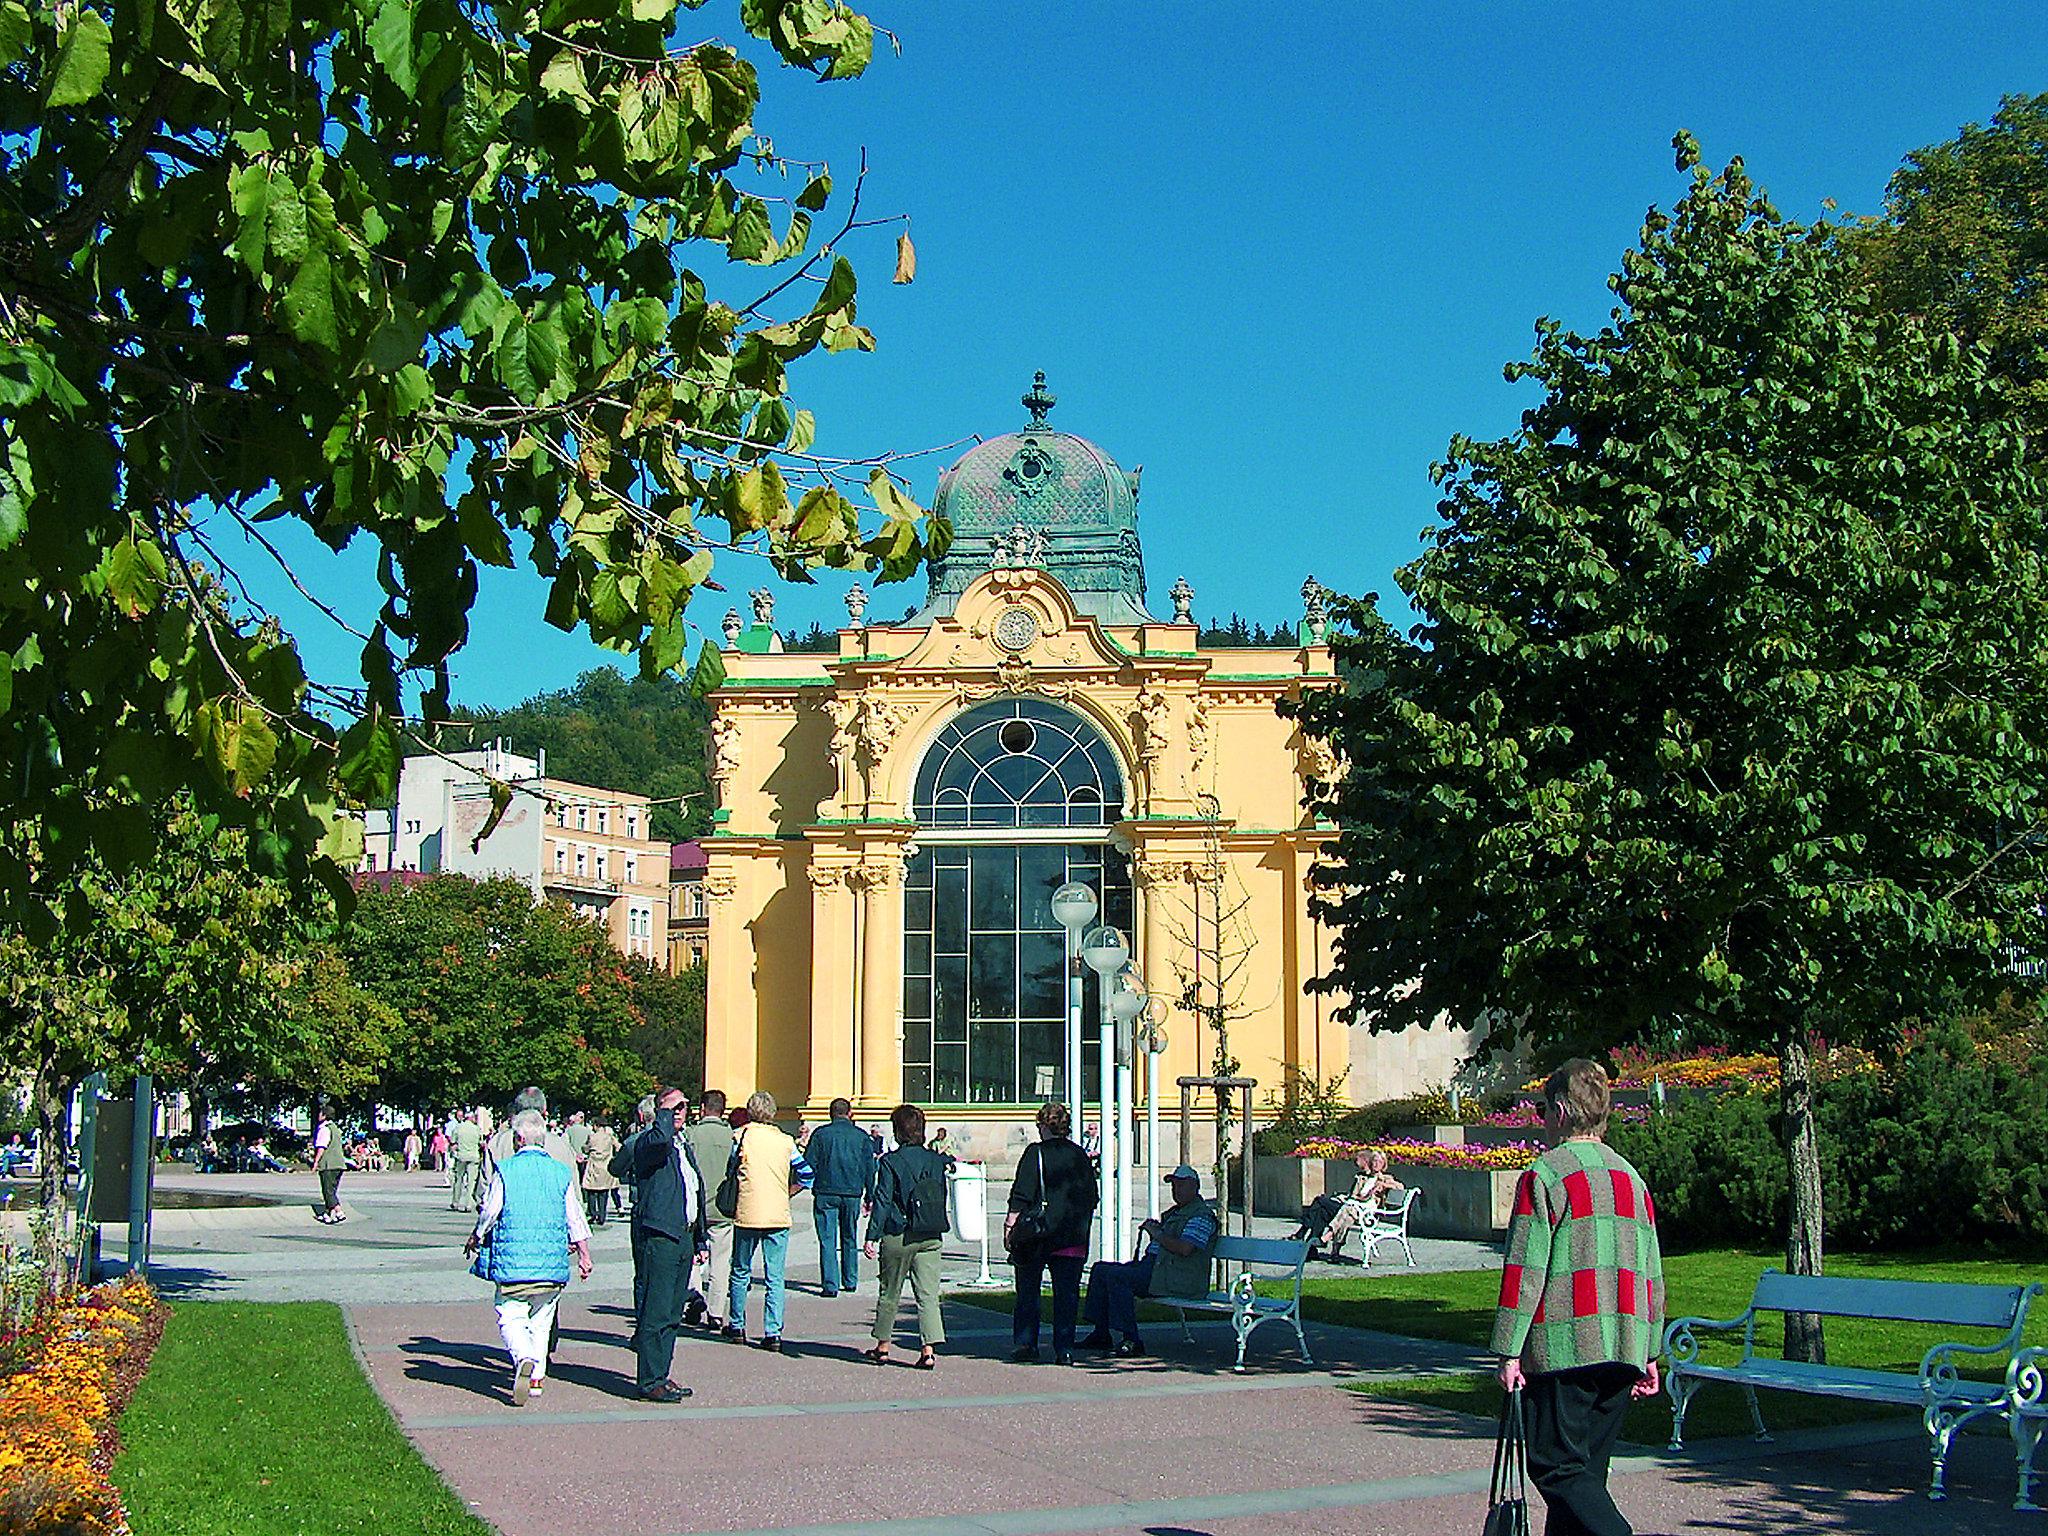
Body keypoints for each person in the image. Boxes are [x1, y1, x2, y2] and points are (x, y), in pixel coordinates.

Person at [1493, 1058, 1665, 1536]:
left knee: (1555, 1466)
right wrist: (1651, 1351)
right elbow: (1651, 1271)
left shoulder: (1546, 1174)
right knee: (1586, 1475)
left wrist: (1509, 1350)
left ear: (1563, 1110)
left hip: (1566, 1346)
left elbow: (1525, 1271)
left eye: (1546, 1109)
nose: (1544, 1120)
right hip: (1624, 1346)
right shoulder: (1631, 1178)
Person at [465, 1109, 593, 1405]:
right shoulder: (560, 1173)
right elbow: (575, 1218)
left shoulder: (506, 1170)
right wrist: (584, 1255)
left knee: (509, 1313)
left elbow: (490, 1211)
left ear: (518, 1138)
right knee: (542, 1320)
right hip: (551, 1266)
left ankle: (523, 1358)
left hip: (514, 1264)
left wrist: (476, 1235)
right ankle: (536, 1379)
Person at [1079, 1164, 1220, 1357]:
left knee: (1118, 1277)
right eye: (1174, 1186)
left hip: (1176, 1277)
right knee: (1100, 1270)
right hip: (1156, 1269)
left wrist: (1158, 1234)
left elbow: (1185, 1249)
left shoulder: (1201, 1216)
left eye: (1181, 1186)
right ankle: (1101, 1333)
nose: (1176, 1191)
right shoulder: (1175, 1213)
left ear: (1195, 1187)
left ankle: (1132, 1339)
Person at [627, 1087, 711, 1401]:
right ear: (659, 1111)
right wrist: (664, 1111)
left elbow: (695, 1192)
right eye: (673, 1107)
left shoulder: (682, 1146)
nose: (680, 1112)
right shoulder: (650, 1143)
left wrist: (700, 1236)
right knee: (656, 1311)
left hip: (683, 1235)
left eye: (684, 1106)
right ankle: (649, 1381)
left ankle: (661, 1373)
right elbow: (659, 1141)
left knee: (673, 1312)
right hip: (660, 1235)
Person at [1005, 1101, 1098, 1365]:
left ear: (1044, 1126)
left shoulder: (1035, 1153)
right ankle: (1064, 1348)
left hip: (1037, 1235)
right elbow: (1092, 1196)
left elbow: (1021, 1194)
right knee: (1067, 1294)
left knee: (1028, 1291)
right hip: (1072, 1234)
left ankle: (1026, 1343)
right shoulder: (1080, 1155)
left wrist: (1010, 1225)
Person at [863, 1102, 951, 1370]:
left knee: (890, 1290)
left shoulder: (891, 1162)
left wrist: (871, 1236)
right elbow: (941, 1195)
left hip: (898, 1233)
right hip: (930, 1233)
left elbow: (882, 1200)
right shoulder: (936, 1161)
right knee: (927, 1294)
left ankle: (883, 1346)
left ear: (898, 1131)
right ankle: (928, 1350)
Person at [725, 1091, 813, 1351]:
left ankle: (737, 1325)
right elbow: (807, 1174)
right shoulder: (785, 1141)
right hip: (777, 1211)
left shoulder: (740, 1137)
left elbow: (730, 1168)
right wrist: (789, 1191)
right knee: (775, 1275)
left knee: (740, 1270)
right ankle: (773, 1332)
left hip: (748, 1211)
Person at [805, 1096, 877, 1298]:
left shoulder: (820, 1135)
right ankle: (850, 1279)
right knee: (849, 1236)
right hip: (852, 1192)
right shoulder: (861, 1137)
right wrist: (869, 1195)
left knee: (827, 1239)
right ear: (850, 1113)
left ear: (830, 1114)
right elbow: (869, 1168)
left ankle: (830, 1284)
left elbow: (809, 1164)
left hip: (826, 1191)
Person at [684, 1090, 736, 1330]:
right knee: (721, 1262)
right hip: (723, 1207)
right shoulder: (731, 1137)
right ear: (723, 1110)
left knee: (692, 1257)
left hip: (696, 1207)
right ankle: (716, 1312)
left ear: (702, 1108)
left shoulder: (690, 1135)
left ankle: (694, 1296)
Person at [1295, 1148, 1403, 1258]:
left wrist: (1384, 1185)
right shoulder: (1362, 1177)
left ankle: (1312, 1236)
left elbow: (1400, 1187)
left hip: (1367, 1213)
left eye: (1379, 1162)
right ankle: (1314, 1249)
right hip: (1352, 1206)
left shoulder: (1385, 1178)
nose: (1376, 1164)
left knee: (1322, 1202)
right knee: (1324, 1211)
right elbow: (1353, 1196)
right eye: (1374, 1161)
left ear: (1384, 1164)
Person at [580, 1114, 620, 1228]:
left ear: (596, 1126)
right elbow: (618, 1147)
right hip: (606, 1167)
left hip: (594, 1166)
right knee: (603, 1193)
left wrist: (585, 1148)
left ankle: (593, 1214)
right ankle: (602, 1216)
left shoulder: (592, 1137)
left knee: (591, 1191)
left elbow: (586, 1148)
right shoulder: (610, 1137)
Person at [311, 1111, 348, 1224]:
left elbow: (322, 1146)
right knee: (332, 1190)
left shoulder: (324, 1129)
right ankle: (327, 1214)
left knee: (327, 1190)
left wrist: (316, 1162)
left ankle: (339, 1212)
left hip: (328, 1164)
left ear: (324, 1115)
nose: (318, 1115)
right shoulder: (336, 1129)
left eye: (320, 1113)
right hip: (339, 1164)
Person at [448, 1112, 484, 1211]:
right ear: (471, 1118)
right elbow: (481, 1143)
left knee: (458, 1179)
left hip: (461, 1156)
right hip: (473, 1156)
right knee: (471, 1181)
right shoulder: (477, 1129)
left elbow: (453, 1142)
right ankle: (468, 1204)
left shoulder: (458, 1128)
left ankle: (455, 1202)